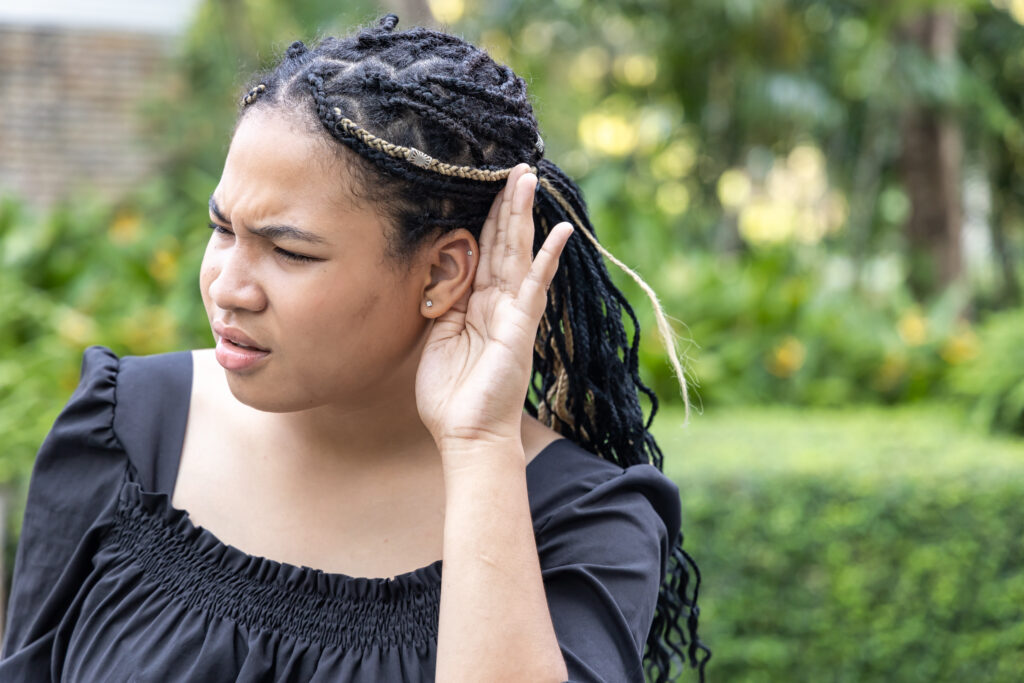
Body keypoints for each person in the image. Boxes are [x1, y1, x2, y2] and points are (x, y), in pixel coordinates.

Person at [1, 14, 708, 683]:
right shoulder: (126, 427)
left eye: (287, 250)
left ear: (441, 273)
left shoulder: (581, 523)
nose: (228, 285)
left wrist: (478, 444)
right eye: (222, 229)